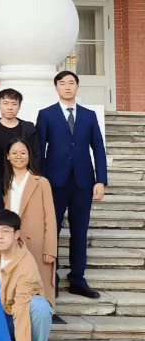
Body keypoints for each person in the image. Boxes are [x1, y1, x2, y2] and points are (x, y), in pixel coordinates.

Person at [36, 71, 107, 299]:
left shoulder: (88, 115)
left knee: (80, 231)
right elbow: (39, 151)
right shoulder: (46, 114)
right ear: (56, 87)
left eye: (71, 83)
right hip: (54, 182)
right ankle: (52, 279)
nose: (67, 87)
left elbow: (98, 148)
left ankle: (77, 279)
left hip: (83, 182)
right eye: (62, 83)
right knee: (52, 231)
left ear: (77, 86)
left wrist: (101, 180)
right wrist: (41, 181)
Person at [0, 209, 53, 341]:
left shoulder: (26, 266)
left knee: (40, 307)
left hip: (14, 315)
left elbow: (21, 314)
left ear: (16, 234)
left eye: (6, 231)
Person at [3, 138, 57, 307]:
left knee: (40, 285)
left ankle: (43, 316)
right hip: (11, 243)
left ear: (29, 155)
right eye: (14, 153)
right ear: (8, 156)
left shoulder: (41, 182)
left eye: (23, 153)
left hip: (36, 243)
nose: (18, 156)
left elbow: (50, 218)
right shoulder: (5, 183)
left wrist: (50, 248)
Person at [0, 88, 40, 175]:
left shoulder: (29, 129)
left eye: (14, 104)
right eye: (5, 103)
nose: (10, 108)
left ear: (19, 106)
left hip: (23, 176)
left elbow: (35, 156)